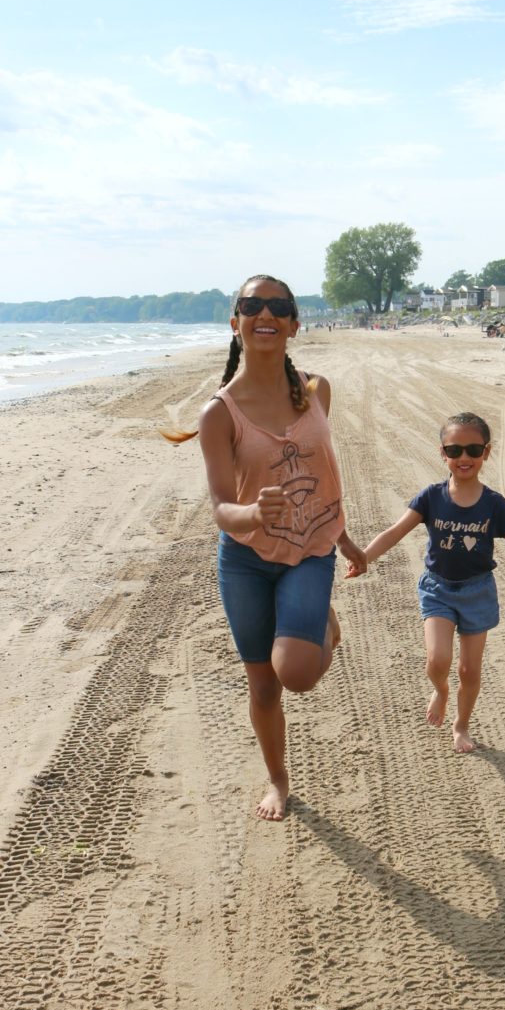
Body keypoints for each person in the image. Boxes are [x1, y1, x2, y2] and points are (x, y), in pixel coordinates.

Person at [189, 274, 367, 820]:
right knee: (264, 687)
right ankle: (278, 779)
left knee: (299, 674)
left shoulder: (318, 391)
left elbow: (318, 473)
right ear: (235, 321)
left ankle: (320, 620)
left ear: (293, 323)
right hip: (244, 561)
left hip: (310, 550)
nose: (264, 312)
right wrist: (251, 512)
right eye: (252, 304)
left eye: (278, 305)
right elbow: (221, 507)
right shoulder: (218, 414)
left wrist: (345, 541)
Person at [349, 412, 505, 754]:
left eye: (473, 449)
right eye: (455, 450)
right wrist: (363, 558)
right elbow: (394, 532)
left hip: (478, 592)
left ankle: (461, 725)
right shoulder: (431, 497)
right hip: (438, 589)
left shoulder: (494, 504)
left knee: (470, 670)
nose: (464, 458)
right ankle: (441, 689)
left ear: (486, 453)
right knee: (438, 660)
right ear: (442, 453)